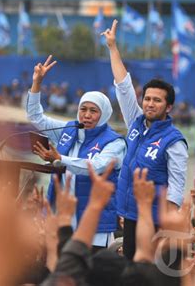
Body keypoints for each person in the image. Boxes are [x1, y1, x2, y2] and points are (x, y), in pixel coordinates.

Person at [102, 20, 188, 260]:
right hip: (130, 215)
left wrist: (169, 227)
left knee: (149, 273)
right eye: (147, 98)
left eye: (157, 100)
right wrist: (112, 47)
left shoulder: (174, 141)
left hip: (155, 220)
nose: (150, 103)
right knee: (131, 270)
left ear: (168, 106)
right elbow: (124, 86)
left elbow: (177, 185)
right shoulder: (136, 123)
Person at [26, 55, 126, 248]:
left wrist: (59, 159)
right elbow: (35, 117)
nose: (87, 115)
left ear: (104, 114)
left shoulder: (115, 143)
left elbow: (95, 167)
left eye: (93, 111)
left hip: (95, 224)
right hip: (63, 220)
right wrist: (37, 83)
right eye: (83, 109)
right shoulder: (69, 130)